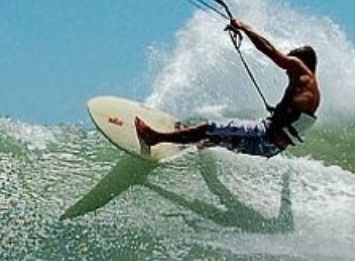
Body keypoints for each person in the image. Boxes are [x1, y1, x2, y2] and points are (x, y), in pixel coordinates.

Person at [135, 19, 320, 158]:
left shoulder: (299, 67)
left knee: (209, 128)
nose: (287, 71)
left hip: (264, 135)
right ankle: (183, 144)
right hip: (271, 148)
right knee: (213, 138)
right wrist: (280, 113)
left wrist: (244, 27)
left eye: (290, 66)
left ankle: (154, 138)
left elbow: (270, 51)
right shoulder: (312, 91)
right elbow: (296, 120)